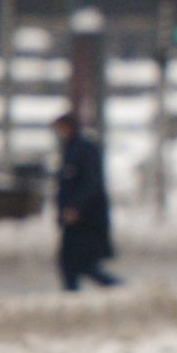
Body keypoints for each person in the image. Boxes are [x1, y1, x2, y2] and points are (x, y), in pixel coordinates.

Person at [50, 113, 119, 292]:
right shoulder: (70, 149)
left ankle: (123, 291)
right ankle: (71, 298)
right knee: (71, 265)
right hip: (74, 221)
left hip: (86, 221)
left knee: (83, 265)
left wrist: (76, 208)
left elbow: (92, 183)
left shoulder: (84, 149)